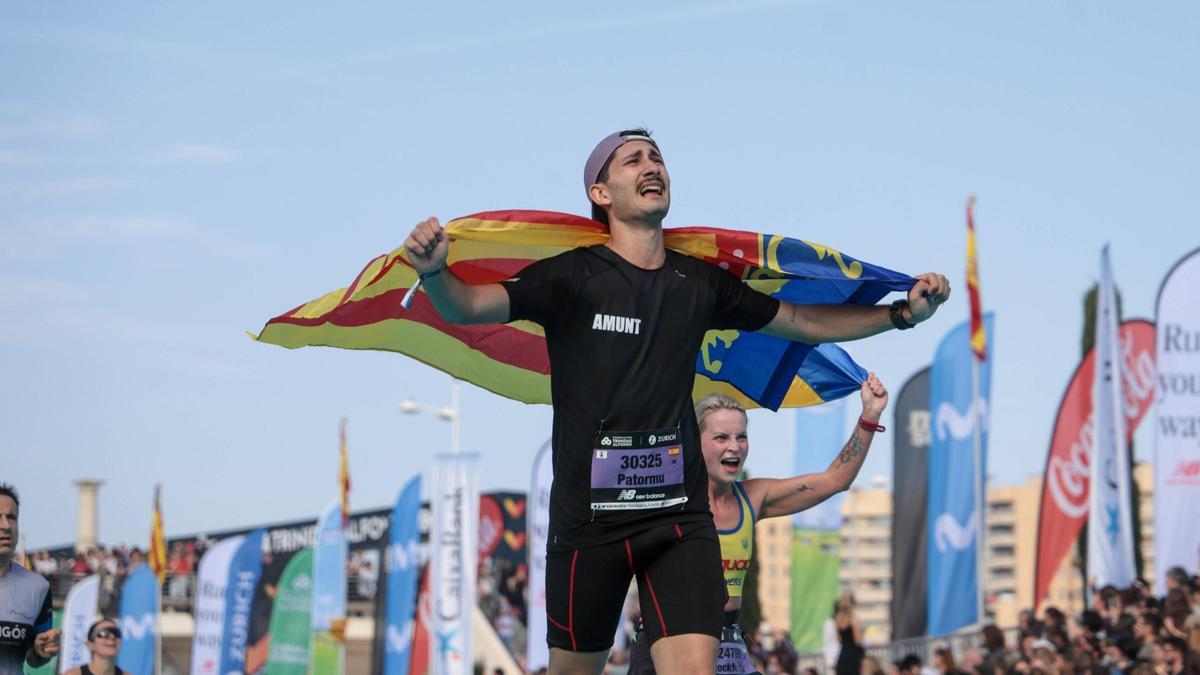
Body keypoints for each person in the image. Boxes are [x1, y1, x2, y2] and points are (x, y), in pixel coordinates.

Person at [402, 128, 950, 674]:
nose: (651, 167)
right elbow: (467, 306)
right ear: (601, 193)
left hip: (678, 519)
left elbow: (802, 321)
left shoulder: (697, 283)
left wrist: (901, 315)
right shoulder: (573, 278)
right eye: (632, 160)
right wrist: (433, 271)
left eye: (657, 158)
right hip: (589, 523)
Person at [628, 375, 889, 674]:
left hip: (728, 641)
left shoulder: (753, 497)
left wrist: (870, 414)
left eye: (741, 437)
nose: (735, 447)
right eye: (721, 437)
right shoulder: (670, 498)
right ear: (694, 443)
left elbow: (834, 480)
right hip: (667, 640)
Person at [0, 483, 59, 675]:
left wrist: (42, 652)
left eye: (11, 517)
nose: (6, 526)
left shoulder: (38, 587)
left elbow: (33, 659)